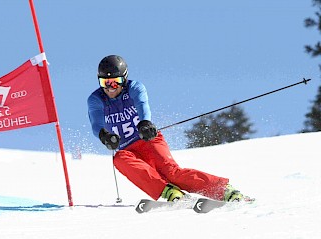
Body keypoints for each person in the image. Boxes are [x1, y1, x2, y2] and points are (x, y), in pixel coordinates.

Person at [87, 55, 252, 202]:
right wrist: (104, 135)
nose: (110, 87)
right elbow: (96, 122)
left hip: (148, 140)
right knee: (119, 159)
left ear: (124, 79)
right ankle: (169, 192)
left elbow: (142, 104)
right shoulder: (96, 99)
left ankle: (224, 191)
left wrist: (145, 122)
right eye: (105, 82)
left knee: (172, 173)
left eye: (116, 82)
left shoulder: (135, 88)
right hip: (127, 151)